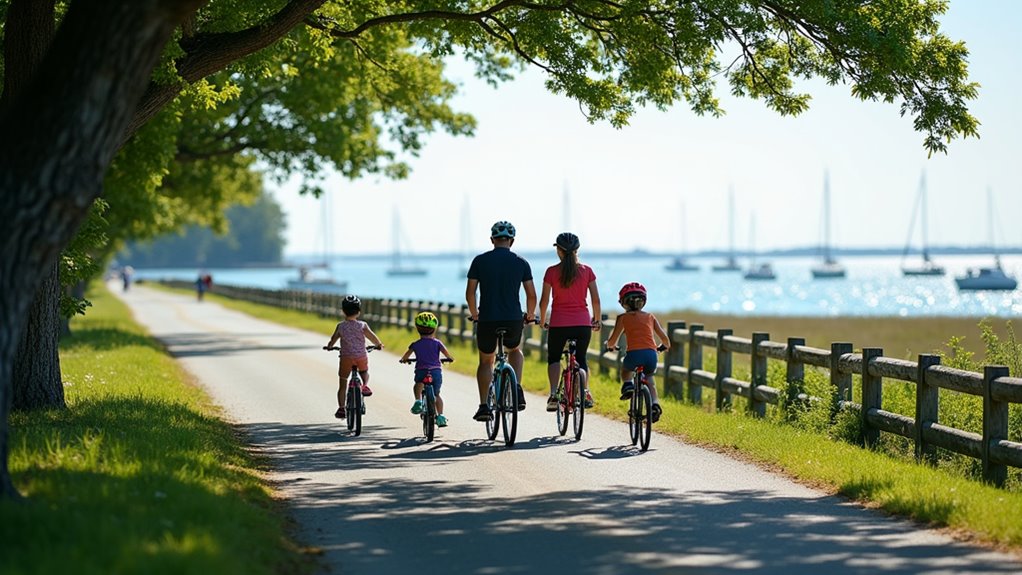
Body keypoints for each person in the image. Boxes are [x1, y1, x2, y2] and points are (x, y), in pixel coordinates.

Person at [465, 220, 537, 422]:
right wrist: (530, 315)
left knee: (486, 360)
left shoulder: (479, 261)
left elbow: (471, 292)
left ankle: (484, 406)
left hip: (487, 319)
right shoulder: (521, 262)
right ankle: (516, 388)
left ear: (492, 240)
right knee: (515, 350)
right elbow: (531, 295)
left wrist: (475, 313)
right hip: (513, 319)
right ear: (511, 241)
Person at [538, 232, 601, 412]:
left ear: (559, 250)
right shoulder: (587, 271)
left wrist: (542, 321)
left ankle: (553, 395)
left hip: (558, 324)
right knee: (581, 358)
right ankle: (585, 391)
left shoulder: (551, 271)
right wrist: (596, 320)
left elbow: (544, 301)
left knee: (554, 358)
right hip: (582, 324)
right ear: (577, 250)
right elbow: (596, 300)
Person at [604, 282, 671, 423]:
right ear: (643, 301)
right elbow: (665, 339)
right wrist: (662, 347)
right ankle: (654, 403)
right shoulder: (650, 317)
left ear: (623, 303)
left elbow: (613, 340)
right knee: (650, 378)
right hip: (651, 356)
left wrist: (610, 346)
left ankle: (628, 385)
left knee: (625, 369)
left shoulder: (622, 318)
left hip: (633, 355)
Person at [324, 295, 384, 419]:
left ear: (343, 311)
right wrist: (378, 345)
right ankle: (364, 385)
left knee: (343, 382)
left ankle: (341, 408)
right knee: (364, 372)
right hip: (361, 356)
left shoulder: (341, 326)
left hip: (346, 358)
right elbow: (372, 337)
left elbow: (333, 339)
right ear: (359, 311)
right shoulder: (363, 325)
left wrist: (329, 346)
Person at [399, 311, 456, 427]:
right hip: (436, 372)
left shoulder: (415, 344)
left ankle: (418, 401)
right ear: (434, 329)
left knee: (418, 383)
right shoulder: (437, 343)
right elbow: (447, 354)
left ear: (417, 329)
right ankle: (440, 416)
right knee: (437, 394)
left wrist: (404, 360)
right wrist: (449, 358)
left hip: (421, 370)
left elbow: (405, 356)